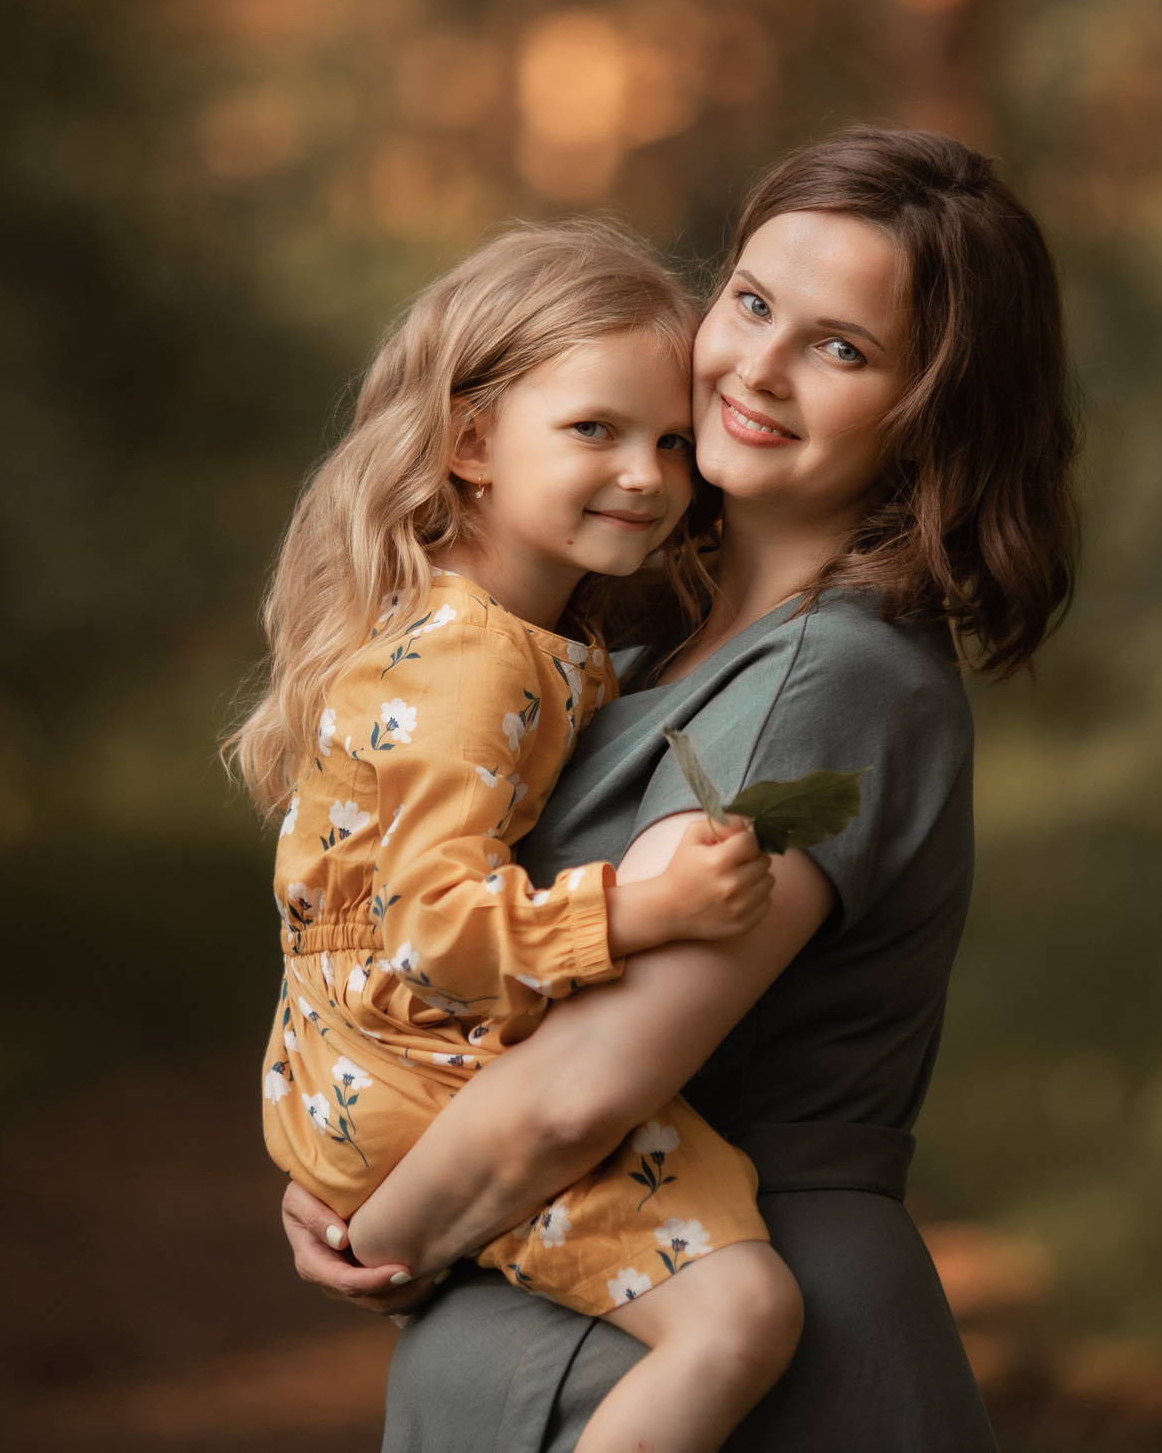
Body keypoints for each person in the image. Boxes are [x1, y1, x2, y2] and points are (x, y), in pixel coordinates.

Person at [282, 127, 1079, 1453]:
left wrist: (381, 1224)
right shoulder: (640, 644)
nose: (755, 365)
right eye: (754, 302)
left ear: (929, 412)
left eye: (841, 347)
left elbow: (583, 1081)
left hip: (767, 1379)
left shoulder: (830, 679)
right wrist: (349, 1143)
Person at [229, 220, 810, 1453]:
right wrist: (645, 911)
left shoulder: (502, 633)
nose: (648, 476)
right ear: (470, 440)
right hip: (414, 1070)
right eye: (594, 431)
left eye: (668, 439)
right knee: (739, 1317)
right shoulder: (474, 664)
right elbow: (434, 932)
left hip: (356, 1070)